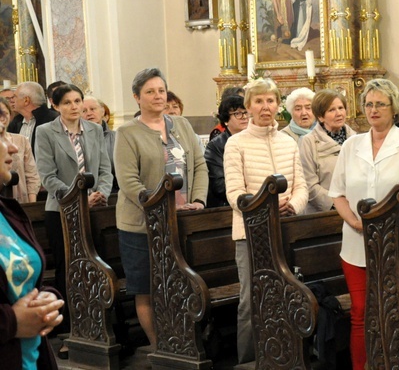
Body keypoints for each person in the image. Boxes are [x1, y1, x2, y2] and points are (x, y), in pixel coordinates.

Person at [328, 78, 399, 370]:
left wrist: (394, 221)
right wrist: (353, 220)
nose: (374, 110)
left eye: (380, 104)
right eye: (369, 104)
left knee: (396, 310)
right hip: (356, 243)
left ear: (394, 108)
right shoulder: (352, 145)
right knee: (361, 312)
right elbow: (337, 192)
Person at [114, 68, 208, 347]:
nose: (158, 96)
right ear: (137, 97)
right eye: (150, 91)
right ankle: (159, 347)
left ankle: (181, 342)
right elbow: (128, 181)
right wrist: (157, 208)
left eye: (161, 90)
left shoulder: (182, 125)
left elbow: (199, 166)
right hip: (141, 225)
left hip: (182, 220)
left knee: (179, 284)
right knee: (147, 289)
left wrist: (199, 201)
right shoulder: (127, 132)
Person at [224, 78, 308, 364]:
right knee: (251, 302)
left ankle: (285, 357)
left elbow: (302, 187)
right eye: (258, 101)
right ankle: (248, 361)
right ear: (248, 107)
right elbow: (235, 193)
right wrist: (269, 205)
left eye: (270, 100)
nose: (265, 106)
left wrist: (293, 206)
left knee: (285, 297)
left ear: (278, 105)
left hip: (284, 231)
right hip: (250, 234)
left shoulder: (289, 142)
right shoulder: (236, 144)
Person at [35, 84, 113, 351]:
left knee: (95, 267)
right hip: (61, 212)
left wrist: (101, 192)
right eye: (67, 102)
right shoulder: (46, 132)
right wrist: (77, 197)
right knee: (69, 269)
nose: (74, 107)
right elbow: (47, 175)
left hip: (93, 210)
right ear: (56, 106)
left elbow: (104, 168)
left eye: (77, 101)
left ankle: (98, 327)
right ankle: (71, 332)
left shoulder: (93, 129)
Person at [0, 128, 65, 369]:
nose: (13, 147)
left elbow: (26, 280)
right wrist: (12, 321)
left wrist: (49, 299)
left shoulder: (8, 211)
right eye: (1, 135)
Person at [298, 89, 356, 214]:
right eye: (331, 110)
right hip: (324, 213)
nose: (339, 113)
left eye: (341, 108)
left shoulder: (356, 139)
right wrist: (337, 204)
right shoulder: (308, 142)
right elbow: (309, 184)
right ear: (320, 116)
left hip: (356, 207)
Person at [204, 95, 248, 208]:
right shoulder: (215, 146)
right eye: (237, 114)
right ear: (225, 120)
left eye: (246, 112)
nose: (244, 117)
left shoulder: (255, 140)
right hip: (228, 205)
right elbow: (219, 185)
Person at [0, 97, 39, 203]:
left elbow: (32, 175)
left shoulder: (21, 140)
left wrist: (32, 204)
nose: (2, 118)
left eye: (5, 114)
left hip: (20, 199)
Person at [7, 82, 58, 156]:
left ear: (26, 100)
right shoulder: (16, 122)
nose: (12, 100)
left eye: (14, 96)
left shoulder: (53, 120)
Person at [82, 96, 117, 193]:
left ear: (102, 112)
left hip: (112, 191)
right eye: (84, 111)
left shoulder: (116, 137)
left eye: (93, 109)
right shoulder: (75, 138)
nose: (89, 113)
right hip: (84, 192)